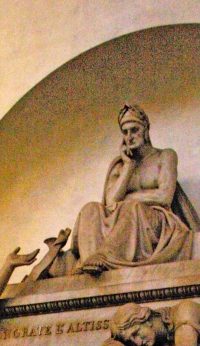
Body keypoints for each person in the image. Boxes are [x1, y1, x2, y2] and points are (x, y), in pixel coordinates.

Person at [67, 104, 192, 274]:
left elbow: (164, 197)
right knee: (90, 208)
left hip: (153, 222)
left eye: (134, 130)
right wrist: (128, 166)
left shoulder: (165, 156)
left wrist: (129, 198)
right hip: (124, 217)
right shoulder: (120, 165)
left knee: (131, 207)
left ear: (146, 129)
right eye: (125, 132)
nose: (129, 137)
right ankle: (90, 262)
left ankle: (105, 256)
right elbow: (111, 202)